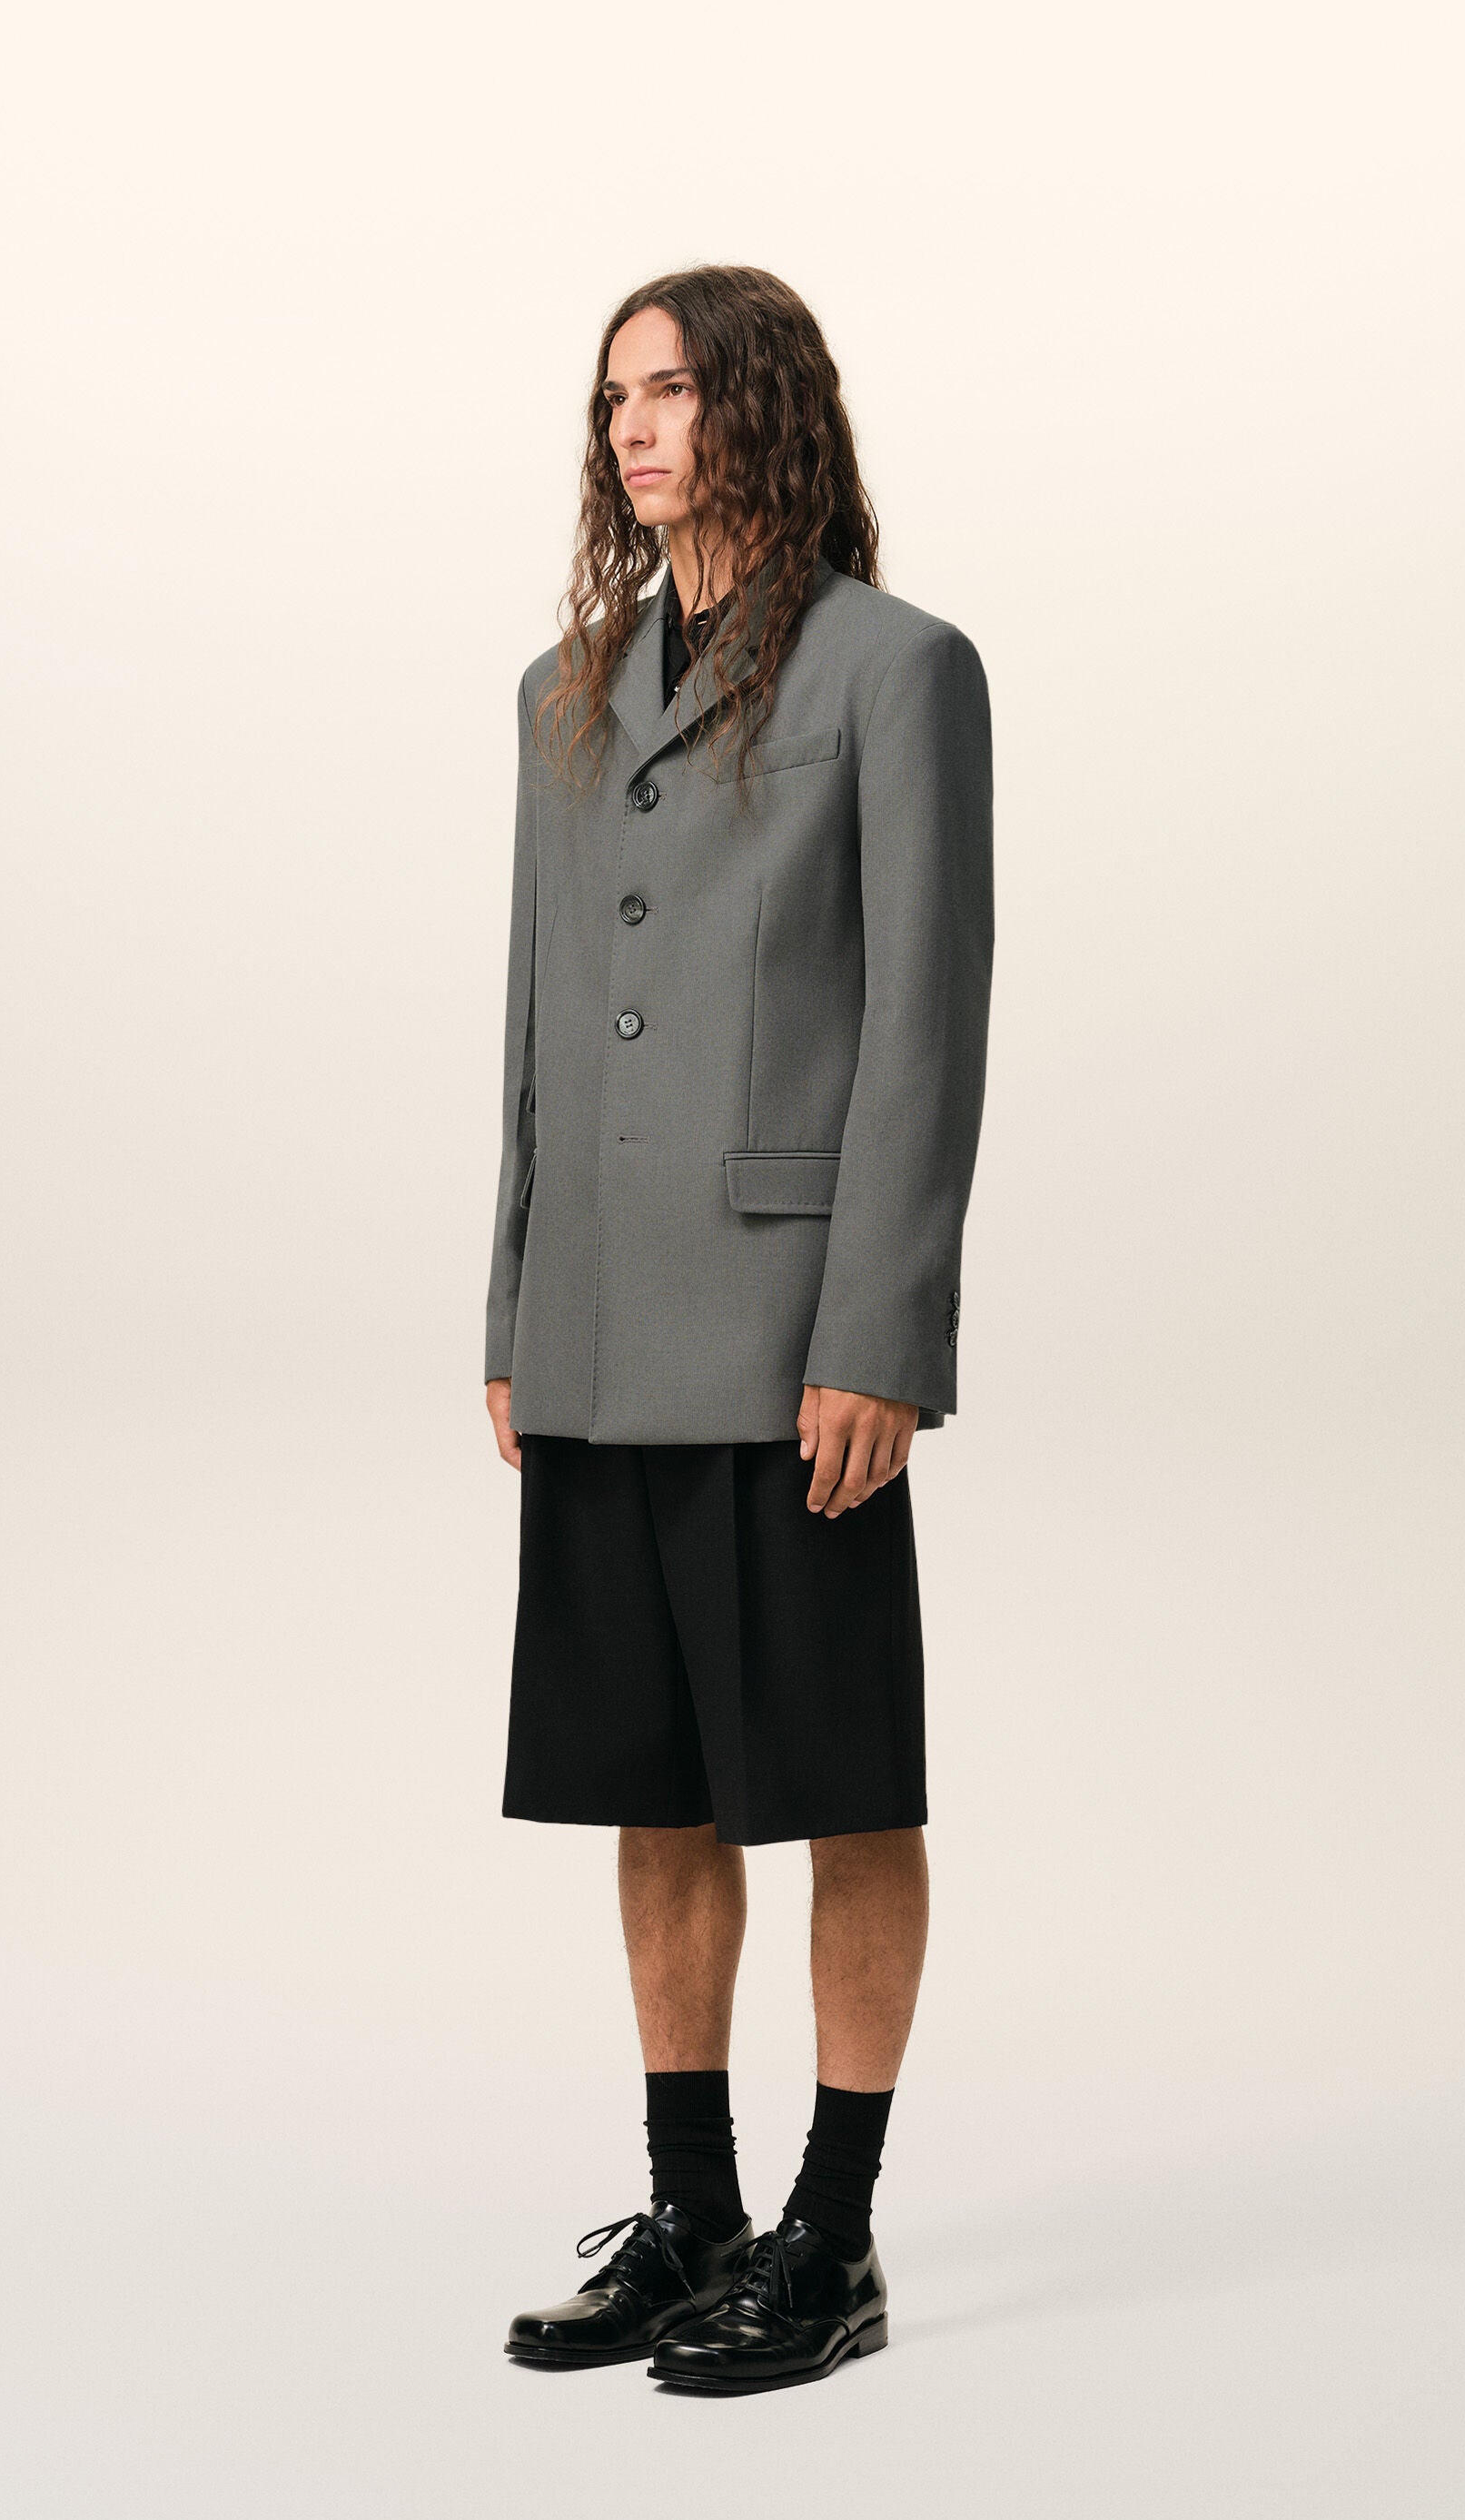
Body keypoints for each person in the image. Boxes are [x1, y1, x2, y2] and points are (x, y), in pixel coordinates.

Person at [484, 265, 995, 2393]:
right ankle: (692, 2213)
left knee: (840, 1786)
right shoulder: (567, 690)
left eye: (676, 387)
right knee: (654, 1786)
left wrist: (881, 1333)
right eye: (616, 393)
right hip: (603, 1330)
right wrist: (514, 1298)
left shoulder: (898, 669)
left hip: (795, 1335)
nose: (636, 424)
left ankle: (833, 2234)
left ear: (761, 404)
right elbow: (535, 1022)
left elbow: (924, 1028)